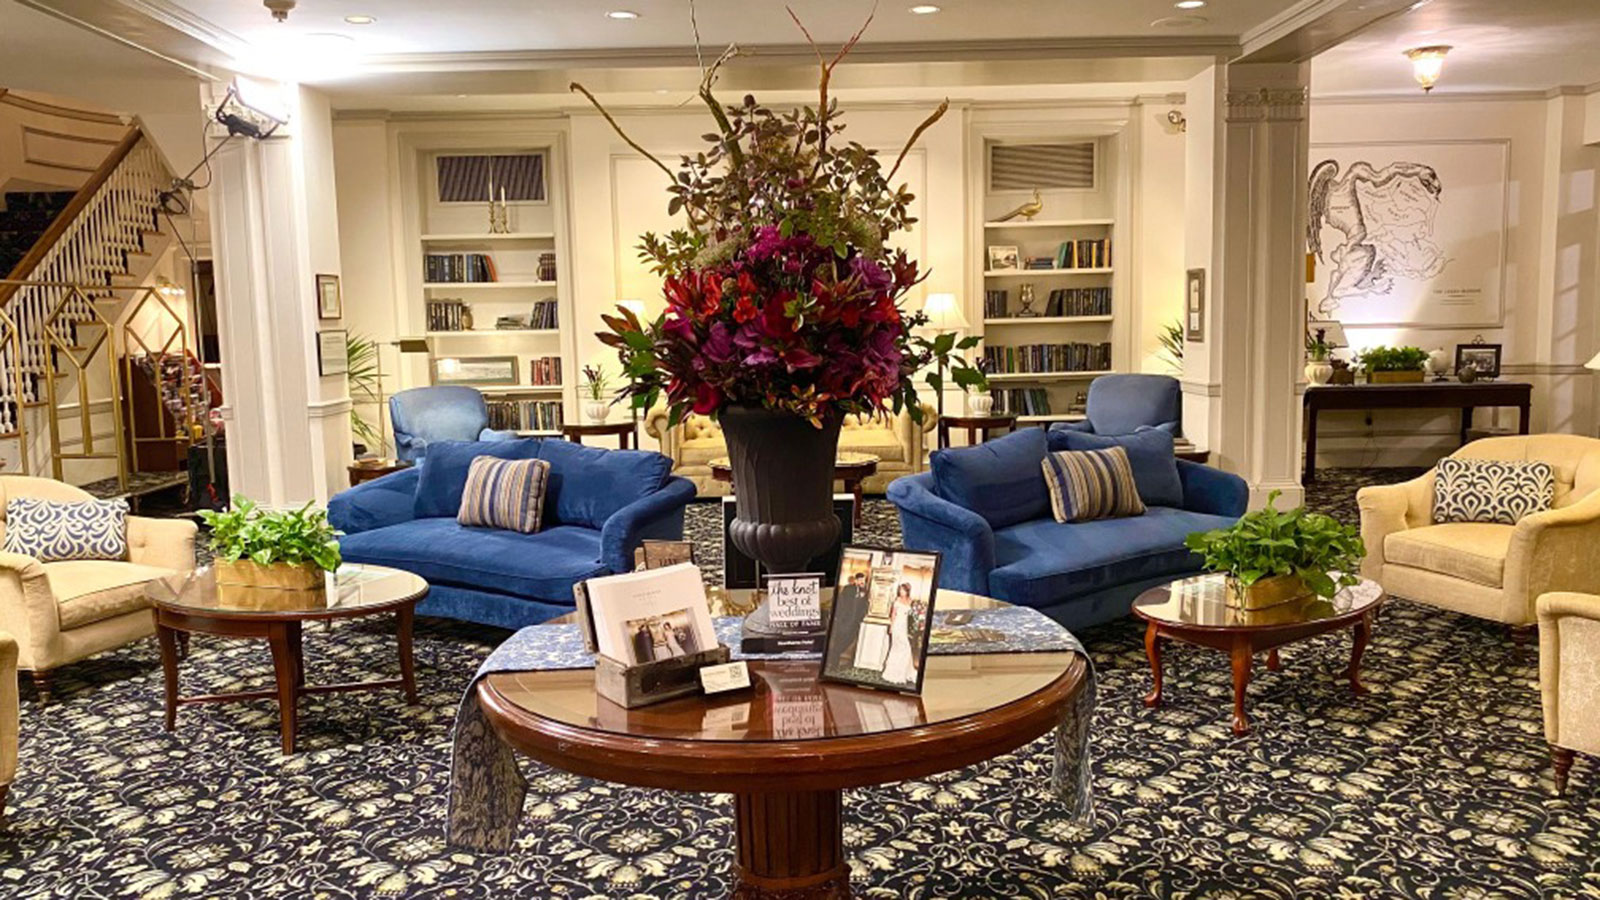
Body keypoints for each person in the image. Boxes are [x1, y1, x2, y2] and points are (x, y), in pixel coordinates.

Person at [826, 571, 871, 670]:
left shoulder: (865, 592)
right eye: (860, 580)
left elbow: (865, 606)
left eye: (863, 580)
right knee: (838, 641)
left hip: (854, 623)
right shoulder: (848, 589)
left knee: (849, 641)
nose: (861, 582)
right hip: (844, 621)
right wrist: (839, 617)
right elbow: (841, 603)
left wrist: (861, 617)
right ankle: (834, 665)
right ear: (855, 580)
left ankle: (834, 656)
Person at [880, 583, 920, 686]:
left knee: (906, 648)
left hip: (904, 626)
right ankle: (892, 673)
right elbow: (893, 614)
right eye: (900, 590)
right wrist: (891, 627)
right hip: (897, 625)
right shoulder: (897, 600)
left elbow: (912, 615)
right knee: (896, 648)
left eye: (903, 590)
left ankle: (904, 671)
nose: (901, 592)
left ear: (907, 591)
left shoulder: (910, 600)